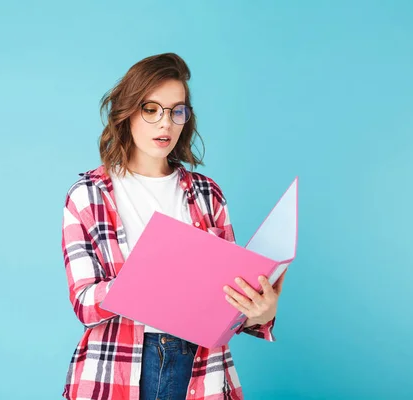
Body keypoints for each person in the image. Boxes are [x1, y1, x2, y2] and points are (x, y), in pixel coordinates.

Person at [61, 53, 286, 400]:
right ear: (128, 112)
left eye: (176, 110)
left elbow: (229, 305)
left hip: (201, 365)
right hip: (119, 367)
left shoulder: (207, 193)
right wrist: (149, 275)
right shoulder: (87, 195)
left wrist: (261, 312)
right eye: (151, 109)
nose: (165, 123)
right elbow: (85, 304)